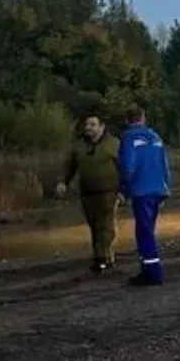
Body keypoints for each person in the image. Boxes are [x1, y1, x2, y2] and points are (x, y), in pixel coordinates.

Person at [56, 113, 122, 274]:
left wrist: (124, 189)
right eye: (87, 125)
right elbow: (69, 166)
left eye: (92, 125)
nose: (88, 128)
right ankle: (104, 256)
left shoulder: (114, 145)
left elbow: (125, 167)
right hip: (87, 192)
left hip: (109, 191)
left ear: (102, 126)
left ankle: (101, 258)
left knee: (105, 225)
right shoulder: (79, 147)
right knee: (94, 225)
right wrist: (62, 182)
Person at [118, 105, 171, 286]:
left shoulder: (128, 138)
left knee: (144, 231)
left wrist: (124, 189)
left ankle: (152, 272)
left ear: (127, 120)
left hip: (141, 190)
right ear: (143, 118)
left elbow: (127, 166)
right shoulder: (155, 137)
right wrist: (165, 189)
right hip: (158, 188)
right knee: (149, 229)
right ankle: (147, 269)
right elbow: (164, 164)